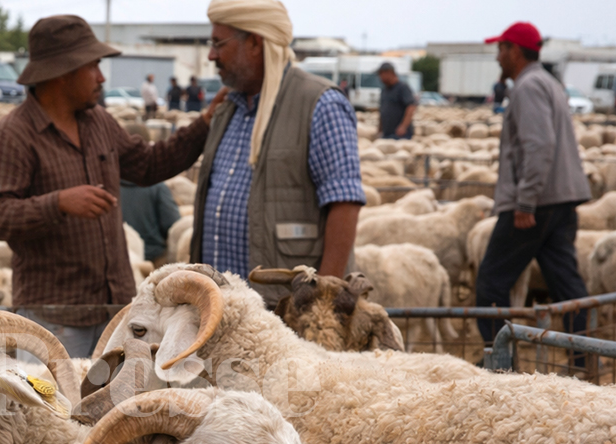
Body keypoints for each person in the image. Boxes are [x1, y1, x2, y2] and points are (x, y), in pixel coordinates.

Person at [0, 15, 223, 358]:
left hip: (116, 313)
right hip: (56, 319)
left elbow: (150, 165)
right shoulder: (13, 135)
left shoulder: (99, 123)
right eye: (93, 66)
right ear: (64, 72)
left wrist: (205, 124)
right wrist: (58, 202)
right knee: (58, 410)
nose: (101, 77)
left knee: (119, 407)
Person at [191, 0, 366, 301]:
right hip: (218, 308)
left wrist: (323, 300)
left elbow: (344, 204)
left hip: (282, 309)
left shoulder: (319, 104)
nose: (211, 55)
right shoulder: (227, 108)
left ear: (256, 43)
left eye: (219, 44)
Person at [475, 22, 591, 347]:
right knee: (566, 285)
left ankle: (500, 361)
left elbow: (538, 145)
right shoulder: (549, 83)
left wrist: (525, 201)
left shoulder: (528, 87)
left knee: (490, 283)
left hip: (535, 205)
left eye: (500, 49)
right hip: (561, 199)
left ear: (514, 50)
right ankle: (585, 359)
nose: (497, 57)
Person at [119, 125, 183, 262]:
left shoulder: (108, 184)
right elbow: (172, 225)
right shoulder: (157, 187)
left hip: (119, 259)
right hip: (152, 258)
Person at [377, 61, 416, 139]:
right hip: (387, 133)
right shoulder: (384, 90)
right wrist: (380, 129)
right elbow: (382, 110)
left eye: (381, 74)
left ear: (389, 73)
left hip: (400, 135)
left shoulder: (402, 88)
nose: (380, 77)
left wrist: (403, 126)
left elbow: (411, 106)